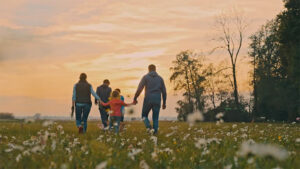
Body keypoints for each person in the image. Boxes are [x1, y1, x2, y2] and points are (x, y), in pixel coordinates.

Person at [134, 64, 167, 134]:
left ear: (148, 69)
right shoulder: (160, 78)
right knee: (155, 118)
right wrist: (164, 103)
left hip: (148, 99)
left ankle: (149, 127)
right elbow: (164, 92)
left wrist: (135, 98)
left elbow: (140, 89)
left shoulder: (145, 77)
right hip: (157, 100)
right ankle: (155, 133)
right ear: (155, 69)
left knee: (144, 115)